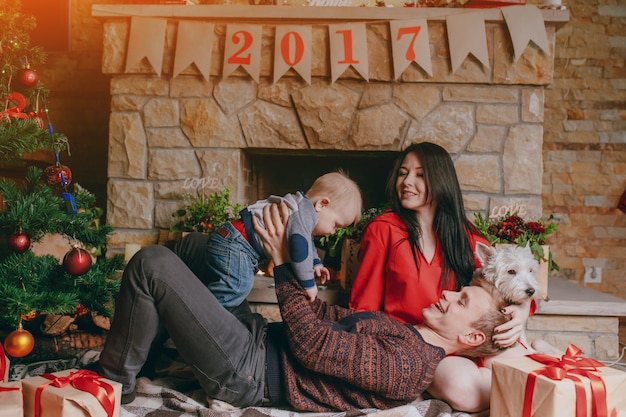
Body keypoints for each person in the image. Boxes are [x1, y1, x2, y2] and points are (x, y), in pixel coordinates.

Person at [96, 203, 511, 412]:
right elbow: (324, 321)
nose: (448, 293)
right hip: (258, 337)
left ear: (472, 336)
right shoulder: (403, 330)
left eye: (462, 300)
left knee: (152, 264)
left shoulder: (409, 366)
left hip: (249, 372)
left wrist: (281, 264)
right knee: (194, 247)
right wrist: (307, 278)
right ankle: (141, 362)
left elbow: (311, 345)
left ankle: (113, 383)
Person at [347, 142, 533, 412]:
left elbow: (510, 282)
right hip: (413, 348)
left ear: (440, 179)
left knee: (525, 367)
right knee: (468, 390)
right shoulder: (384, 229)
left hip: (464, 344)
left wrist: (522, 311)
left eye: (420, 175)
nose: (407, 181)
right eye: (402, 173)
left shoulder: (466, 236)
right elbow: (364, 307)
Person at [199, 171, 362, 307]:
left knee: (232, 289)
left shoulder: (303, 211)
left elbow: (306, 243)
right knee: (237, 288)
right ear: (322, 204)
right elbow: (300, 248)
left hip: (233, 241)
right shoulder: (302, 215)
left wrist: (315, 264)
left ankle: (207, 309)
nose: (334, 232)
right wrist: (309, 285)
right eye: (336, 225)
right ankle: (202, 313)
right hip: (235, 244)